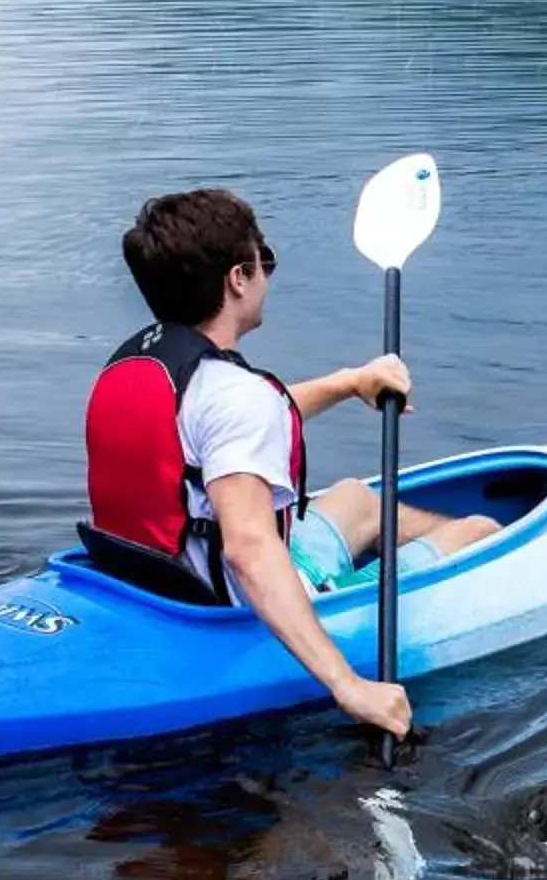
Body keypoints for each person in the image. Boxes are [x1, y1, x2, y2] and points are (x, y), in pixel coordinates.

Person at [83, 188, 498, 739]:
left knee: (354, 496)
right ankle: (472, 541)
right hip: (234, 605)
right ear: (238, 278)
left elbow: (230, 435)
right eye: (264, 260)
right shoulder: (233, 395)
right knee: (481, 530)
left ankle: (399, 546)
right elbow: (250, 548)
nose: (267, 275)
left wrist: (349, 383)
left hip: (149, 581)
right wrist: (349, 686)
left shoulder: (141, 367)